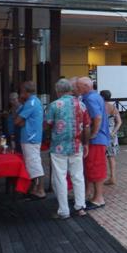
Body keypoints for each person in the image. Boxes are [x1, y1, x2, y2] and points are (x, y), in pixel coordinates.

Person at [45, 78, 90, 219]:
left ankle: (64, 211)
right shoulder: (81, 105)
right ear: (70, 89)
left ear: (57, 90)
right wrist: (86, 143)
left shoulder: (54, 105)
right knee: (78, 177)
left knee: (60, 178)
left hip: (58, 147)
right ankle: (80, 207)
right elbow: (87, 126)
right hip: (76, 146)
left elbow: (47, 125)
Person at [77, 77, 110, 209]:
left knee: (95, 167)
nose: (77, 89)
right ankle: (93, 195)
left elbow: (97, 117)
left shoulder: (90, 98)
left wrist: (93, 134)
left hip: (97, 140)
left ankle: (98, 198)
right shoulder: (96, 96)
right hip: (99, 139)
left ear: (86, 86)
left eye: (78, 86)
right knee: (94, 167)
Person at [15, 81, 45, 199]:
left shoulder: (30, 103)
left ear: (25, 91)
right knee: (33, 163)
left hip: (30, 138)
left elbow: (17, 121)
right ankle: (35, 188)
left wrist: (22, 121)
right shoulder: (34, 101)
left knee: (34, 164)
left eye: (21, 91)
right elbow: (19, 120)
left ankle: (40, 190)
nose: (20, 93)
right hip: (31, 137)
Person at [99, 90, 122, 186]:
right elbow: (119, 122)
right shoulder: (113, 108)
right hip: (112, 135)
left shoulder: (99, 107)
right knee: (111, 157)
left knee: (100, 157)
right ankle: (113, 177)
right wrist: (114, 132)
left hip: (101, 134)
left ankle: (100, 178)